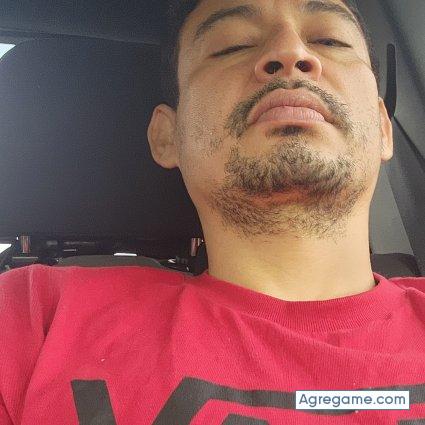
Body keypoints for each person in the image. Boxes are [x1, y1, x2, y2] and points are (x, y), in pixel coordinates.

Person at [1, 0, 425, 423]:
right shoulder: (30, 317)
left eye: (329, 40)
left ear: (382, 129)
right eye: (232, 46)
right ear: (167, 136)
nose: (291, 52)